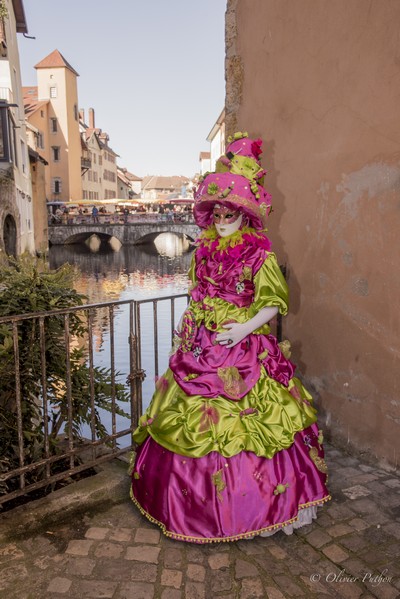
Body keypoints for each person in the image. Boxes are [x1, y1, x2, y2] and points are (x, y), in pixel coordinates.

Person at [130, 132, 330, 543]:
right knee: (189, 418)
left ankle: (256, 507)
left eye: (230, 217)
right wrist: (194, 325)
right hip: (201, 346)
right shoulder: (202, 251)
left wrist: (244, 327)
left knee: (250, 424)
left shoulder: (260, 255)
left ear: (245, 217)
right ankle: (188, 506)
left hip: (243, 348)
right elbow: (198, 293)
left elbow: (274, 302)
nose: (222, 223)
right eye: (217, 216)